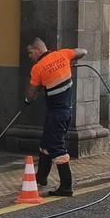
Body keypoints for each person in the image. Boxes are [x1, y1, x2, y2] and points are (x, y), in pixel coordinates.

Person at [24, 38, 87, 197]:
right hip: (66, 111)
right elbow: (83, 51)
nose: (29, 56)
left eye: (30, 52)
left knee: (57, 148)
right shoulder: (63, 55)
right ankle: (41, 178)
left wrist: (29, 98)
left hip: (56, 114)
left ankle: (66, 186)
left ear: (38, 49)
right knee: (46, 142)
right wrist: (69, 62)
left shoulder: (37, 68)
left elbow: (30, 95)